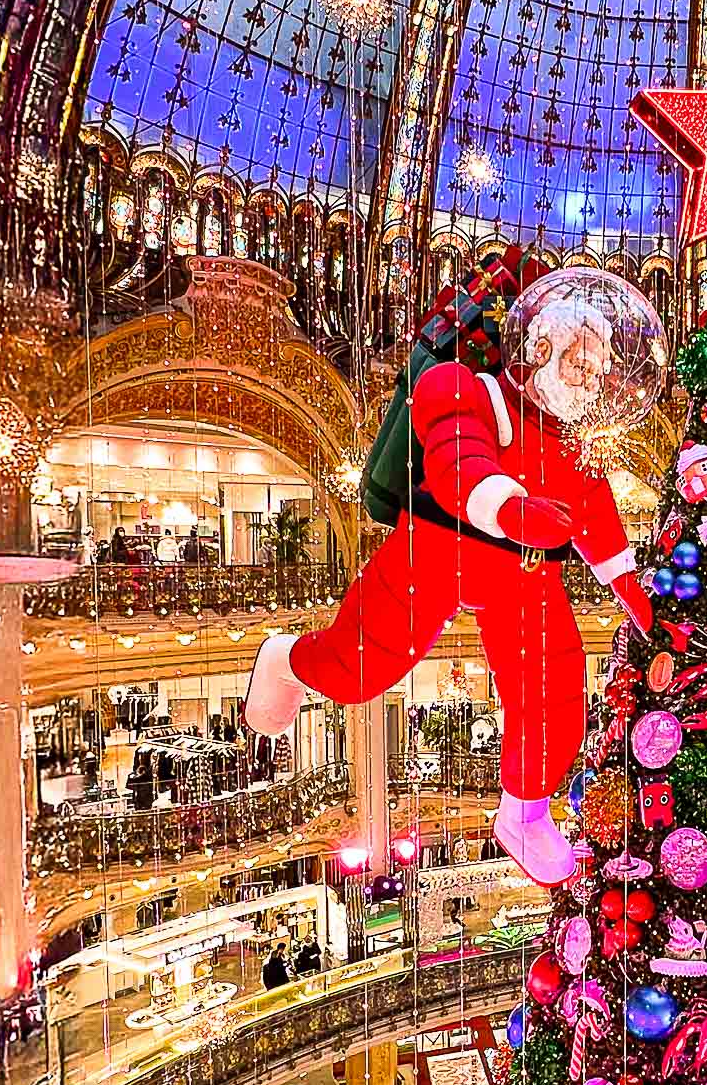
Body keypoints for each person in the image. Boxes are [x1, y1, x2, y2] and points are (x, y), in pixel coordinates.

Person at [243, 246, 652, 889]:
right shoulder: (460, 386)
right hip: (436, 547)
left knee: (554, 689)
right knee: (363, 664)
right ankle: (286, 659)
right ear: (542, 346)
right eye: (580, 361)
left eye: (597, 371)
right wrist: (514, 510)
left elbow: (599, 520)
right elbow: (458, 462)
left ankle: (524, 811)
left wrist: (638, 595)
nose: (588, 379)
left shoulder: (573, 442)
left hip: (525, 572)